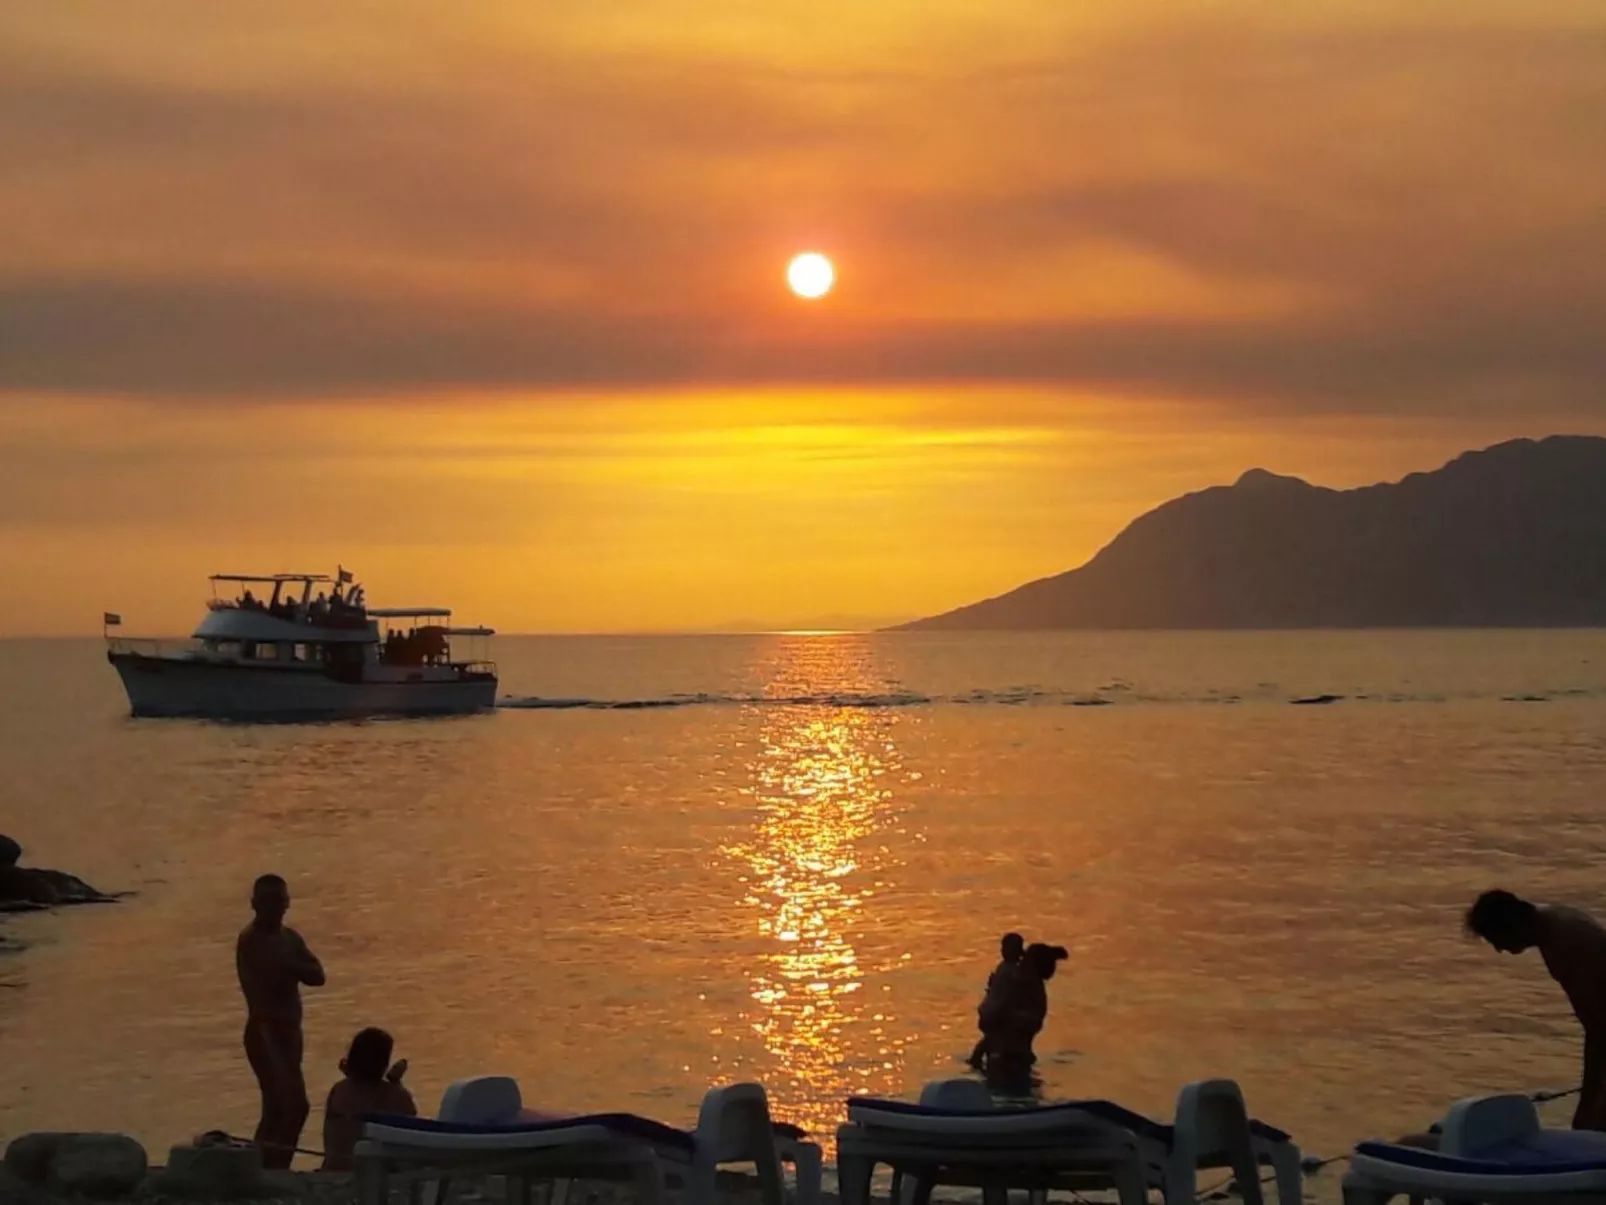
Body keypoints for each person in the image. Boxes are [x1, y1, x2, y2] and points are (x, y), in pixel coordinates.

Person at [1465, 889, 1606, 1130]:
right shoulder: (1551, 931)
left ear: (1510, 926)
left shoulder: (1569, 942)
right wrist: (1587, 1098)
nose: (1499, 949)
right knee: (1588, 1123)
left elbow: (1600, 1026)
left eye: (1496, 940)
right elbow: (1593, 1027)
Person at [236, 874, 326, 1168]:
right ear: (255, 904)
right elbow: (273, 974)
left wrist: (293, 965)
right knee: (289, 1105)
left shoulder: (289, 938)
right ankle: (270, 1166)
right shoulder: (251, 940)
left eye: (279, 901)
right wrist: (292, 966)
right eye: (268, 902)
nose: (275, 908)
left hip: (290, 1031)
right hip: (266, 1030)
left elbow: (317, 975)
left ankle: (271, 1165)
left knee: (281, 1107)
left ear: (287, 903)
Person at [320, 1028, 416, 1171]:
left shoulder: (339, 1089)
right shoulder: (392, 1095)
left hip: (333, 1168)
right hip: (365, 1171)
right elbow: (411, 1119)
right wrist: (395, 1083)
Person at [969, 932, 1026, 1068]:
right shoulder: (1008, 969)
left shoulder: (1011, 970)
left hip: (997, 1013)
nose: (1002, 950)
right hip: (995, 1013)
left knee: (990, 1043)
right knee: (990, 1043)